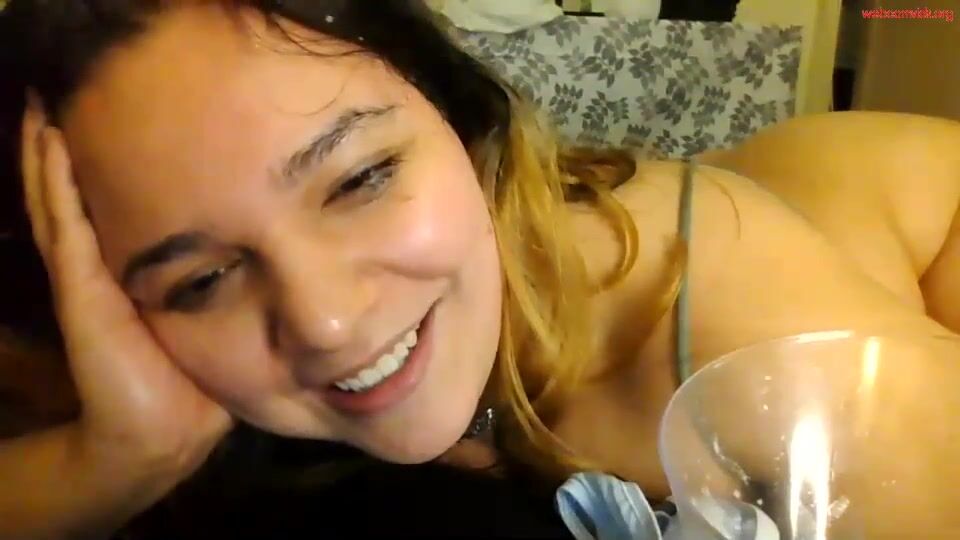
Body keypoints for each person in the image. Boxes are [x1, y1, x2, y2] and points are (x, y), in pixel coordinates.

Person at [0, 1, 958, 538]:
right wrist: (116, 459)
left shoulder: (741, 340)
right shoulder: (125, 370)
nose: (327, 321)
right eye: (202, 280)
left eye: (362, 178)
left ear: (460, 125)